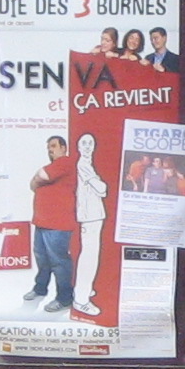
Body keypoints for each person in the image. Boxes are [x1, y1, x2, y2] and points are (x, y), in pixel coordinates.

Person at [24, 136, 78, 311]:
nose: (50, 150)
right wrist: (37, 180)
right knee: (42, 259)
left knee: (59, 262)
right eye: (48, 147)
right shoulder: (55, 166)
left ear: (63, 147)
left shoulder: (66, 162)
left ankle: (65, 298)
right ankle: (40, 289)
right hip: (42, 222)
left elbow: (41, 175)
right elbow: (32, 185)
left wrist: (38, 178)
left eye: (54, 146)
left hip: (58, 224)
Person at [70, 133, 110, 320]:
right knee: (89, 257)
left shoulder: (87, 164)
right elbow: (102, 189)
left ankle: (84, 289)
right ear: (78, 146)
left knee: (91, 254)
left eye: (90, 143)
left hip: (94, 214)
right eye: (84, 143)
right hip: (90, 216)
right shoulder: (83, 165)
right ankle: (81, 299)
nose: (87, 146)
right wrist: (101, 186)